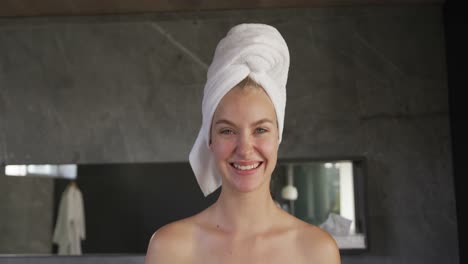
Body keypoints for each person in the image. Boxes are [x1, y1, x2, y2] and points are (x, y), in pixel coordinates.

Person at [145, 23, 341, 264]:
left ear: (277, 137)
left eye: (260, 129)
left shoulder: (316, 251)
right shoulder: (170, 248)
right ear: (209, 139)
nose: (245, 149)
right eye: (227, 131)